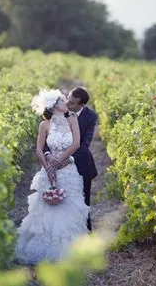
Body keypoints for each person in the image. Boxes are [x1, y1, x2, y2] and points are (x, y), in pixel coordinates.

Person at [14, 88, 90, 265]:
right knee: (45, 209)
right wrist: (48, 167)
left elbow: (76, 144)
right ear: (54, 106)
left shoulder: (72, 120)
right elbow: (39, 149)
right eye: (63, 101)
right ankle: (45, 250)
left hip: (68, 169)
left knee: (68, 207)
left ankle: (70, 251)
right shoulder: (44, 125)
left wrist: (60, 161)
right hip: (48, 170)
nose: (67, 103)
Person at [44, 87, 98, 232]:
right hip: (55, 164)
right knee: (57, 202)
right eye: (67, 98)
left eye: (73, 103)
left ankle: (86, 236)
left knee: (82, 203)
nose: (68, 103)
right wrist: (49, 156)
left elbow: (84, 145)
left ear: (82, 105)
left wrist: (68, 159)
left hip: (80, 164)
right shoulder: (58, 111)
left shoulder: (90, 117)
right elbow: (45, 140)